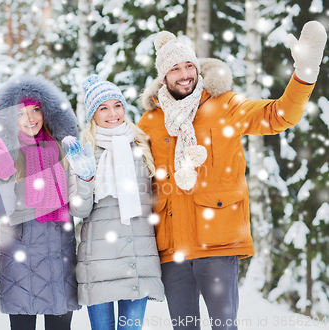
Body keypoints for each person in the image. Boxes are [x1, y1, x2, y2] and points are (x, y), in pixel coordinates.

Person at [136, 23, 327, 330]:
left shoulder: (224, 105)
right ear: (163, 76)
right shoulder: (150, 121)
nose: (184, 74)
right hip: (172, 250)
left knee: (224, 327)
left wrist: (304, 74)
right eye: (174, 68)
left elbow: (279, 115)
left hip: (217, 243)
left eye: (189, 65)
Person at [0, 75, 87, 330]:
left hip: (59, 261)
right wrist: (4, 175)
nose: (30, 119)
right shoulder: (8, 154)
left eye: (36, 109)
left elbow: (79, 207)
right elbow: (3, 212)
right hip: (20, 266)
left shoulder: (62, 151)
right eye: (21, 113)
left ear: (46, 111)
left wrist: (86, 176)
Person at [62, 75, 165, 330]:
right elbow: (79, 209)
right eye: (103, 108)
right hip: (99, 262)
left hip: (137, 259)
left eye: (117, 105)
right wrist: (85, 177)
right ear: (92, 115)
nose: (112, 113)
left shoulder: (141, 145)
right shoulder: (84, 150)